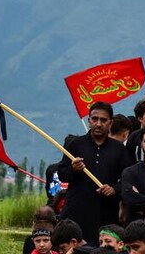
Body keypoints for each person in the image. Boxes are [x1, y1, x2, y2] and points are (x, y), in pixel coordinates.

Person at [57, 102, 133, 244]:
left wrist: (114, 189)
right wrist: (73, 169)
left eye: (103, 120)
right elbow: (62, 173)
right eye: (95, 119)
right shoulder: (75, 144)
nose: (98, 124)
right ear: (89, 121)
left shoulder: (119, 149)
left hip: (105, 214)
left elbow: (128, 179)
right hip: (76, 211)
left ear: (110, 123)